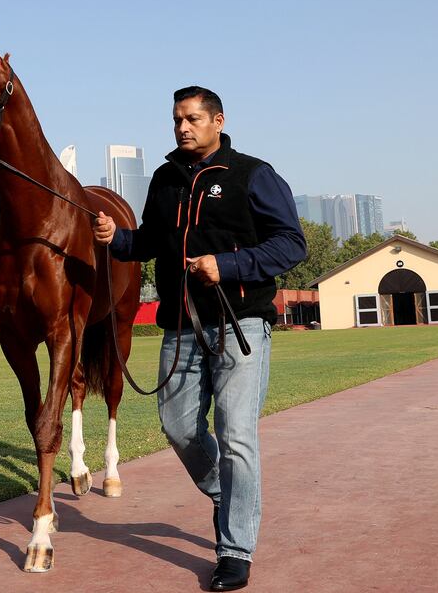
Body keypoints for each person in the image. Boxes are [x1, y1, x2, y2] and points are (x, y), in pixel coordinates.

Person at [93, 86, 306, 591]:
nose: (182, 127)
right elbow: (149, 241)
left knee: (236, 437)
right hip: (182, 326)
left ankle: (234, 550)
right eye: (176, 120)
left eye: (191, 118)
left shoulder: (253, 174)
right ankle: (227, 495)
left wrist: (226, 264)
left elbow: (291, 242)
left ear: (217, 121)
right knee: (178, 427)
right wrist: (115, 239)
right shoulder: (165, 179)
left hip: (240, 325)